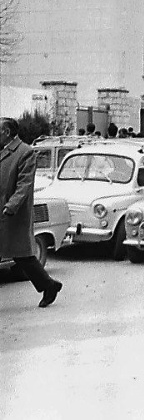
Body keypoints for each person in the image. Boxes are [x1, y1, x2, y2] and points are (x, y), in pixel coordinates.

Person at [0, 117, 63, 308]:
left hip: (12, 214)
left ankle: (49, 285)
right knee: (19, 254)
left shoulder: (25, 152)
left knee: (22, 255)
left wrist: (11, 206)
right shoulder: (3, 151)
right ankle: (48, 284)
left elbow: (24, 185)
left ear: (7, 132)